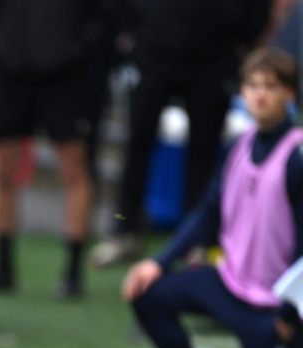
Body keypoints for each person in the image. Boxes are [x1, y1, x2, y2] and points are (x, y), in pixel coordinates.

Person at [122, 47, 303, 348]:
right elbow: (207, 213)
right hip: (228, 283)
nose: (260, 95)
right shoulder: (239, 145)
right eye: (252, 85)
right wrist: (159, 261)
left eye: (271, 86)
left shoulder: (297, 155)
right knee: (148, 293)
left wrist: (290, 315)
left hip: (273, 308)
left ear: (290, 94)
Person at [91, 0, 271, 268]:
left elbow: (257, 11)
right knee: (138, 143)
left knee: (203, 151)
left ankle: (195, 240)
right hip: (153, 50)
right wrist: (131, 35)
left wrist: (239, 47)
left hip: (215, 57)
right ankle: (124, 230)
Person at [0, 0, 120, 299]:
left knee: (74, 167)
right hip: (10, 72)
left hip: (67, 76)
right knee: (1, 167)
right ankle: (3, 265)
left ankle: (73, 272)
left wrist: (73, 51)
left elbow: (105, 16)